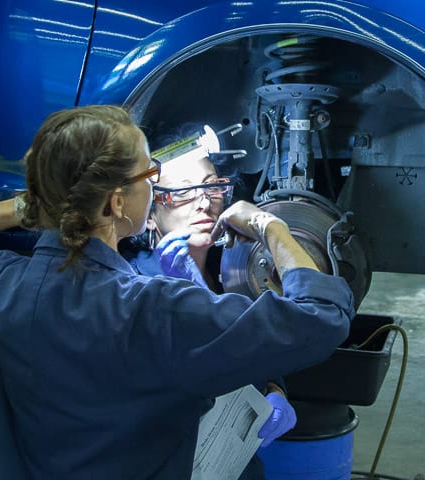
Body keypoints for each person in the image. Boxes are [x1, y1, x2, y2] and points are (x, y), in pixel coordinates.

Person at [0, 105, 355, 479]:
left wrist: (24, 208)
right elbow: (320, 314)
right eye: (149, 176)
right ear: (117, 202)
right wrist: (271, 226)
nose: (153, 185)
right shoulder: (159, 312)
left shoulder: (1, 284)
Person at [118, 147, 295, 479]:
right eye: (183, 191)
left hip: (232, 461)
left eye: (211, 186)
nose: (203, 202)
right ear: (150, 212)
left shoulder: (237, 274)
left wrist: (275, 389)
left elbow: (260, 351)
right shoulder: (131, 284)